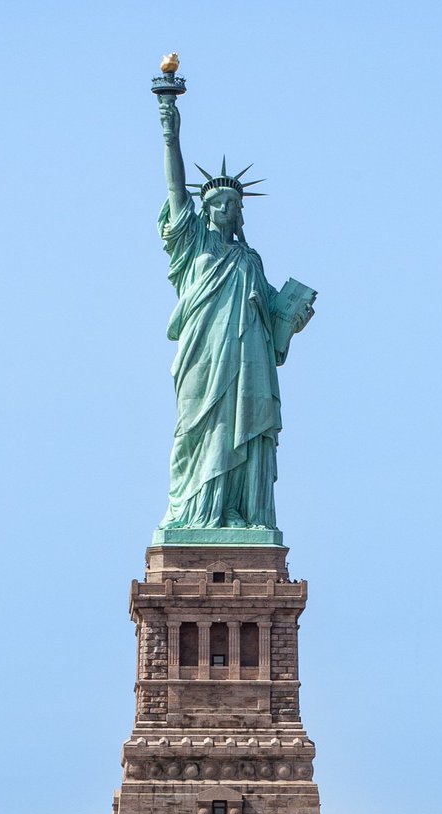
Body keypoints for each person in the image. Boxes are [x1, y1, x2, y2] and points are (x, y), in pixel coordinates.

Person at [154, 91, 314, 531]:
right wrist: (170, 129)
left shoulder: (250, 261)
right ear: (204, 210)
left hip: (249, 363)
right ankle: (197, 513)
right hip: (203, 360)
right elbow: (174, 187)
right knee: (198, 431)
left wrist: (291, 319)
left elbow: (272, 326)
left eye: (234, 204)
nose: (226, 208)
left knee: (243, 428)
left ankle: (239, 512)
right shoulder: (193, 247)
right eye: (218, 202)